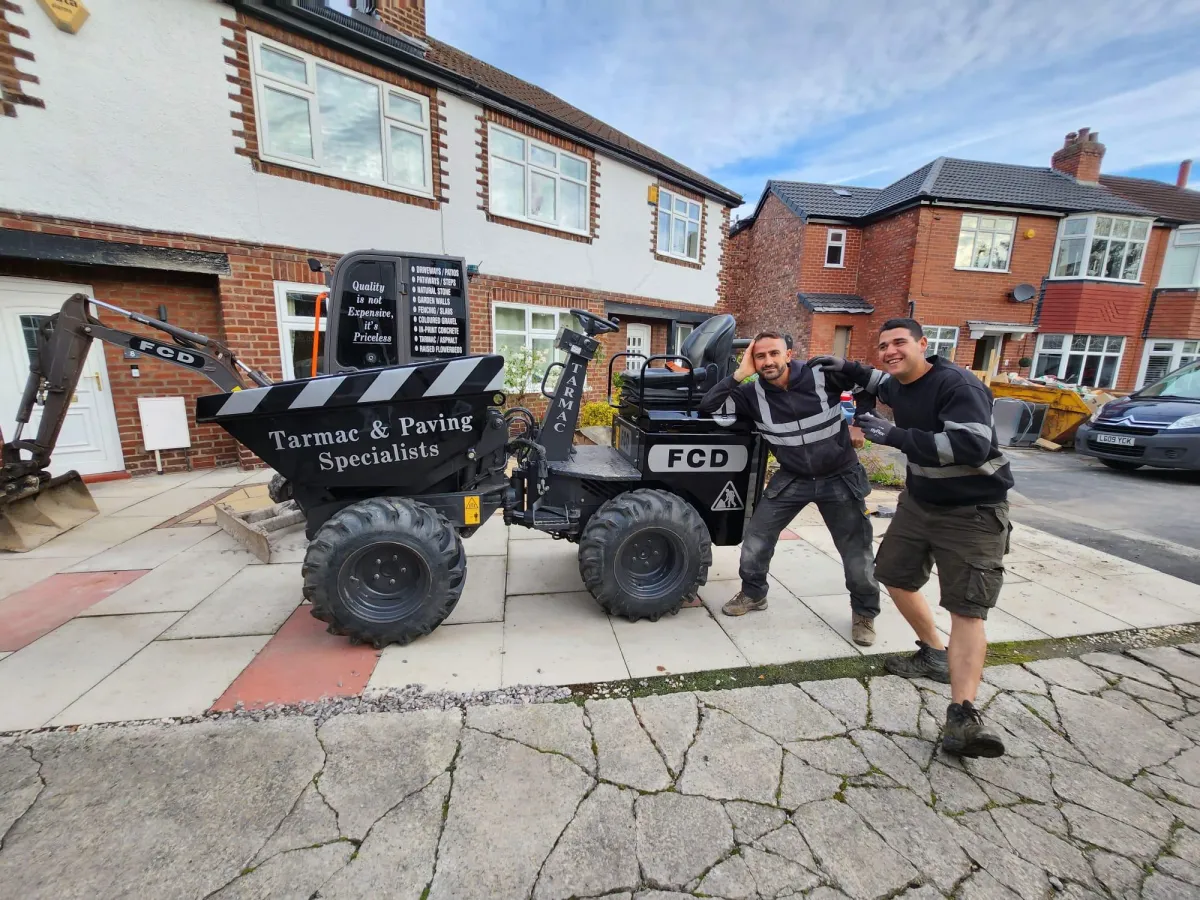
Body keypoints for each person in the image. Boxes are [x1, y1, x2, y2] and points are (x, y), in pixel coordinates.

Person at [812, 317, 1013, 758]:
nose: (889, 351)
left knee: (966, 609)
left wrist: (896, 436)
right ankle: (933, 653)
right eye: (883, 345)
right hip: (921, 503)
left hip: (973, 510)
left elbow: (972, 447)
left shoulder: (959, 387)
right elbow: (877, 380)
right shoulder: (900, 382)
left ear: (924, 344)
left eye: (899, 343)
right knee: (895, 576)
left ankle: (964, 715)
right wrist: (844, 364)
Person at [699, 330, 881, 646]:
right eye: (760, 356)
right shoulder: (751, 394)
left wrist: (859, 421)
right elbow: (709, 406)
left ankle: (864, 613)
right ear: (752, 361)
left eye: (773, 353)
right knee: (757, 536)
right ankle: (754, 594)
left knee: (856, 548)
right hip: (793, 476)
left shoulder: (821, 376)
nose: (767, 361)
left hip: (840, 475)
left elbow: (868, 382)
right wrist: (739, 375)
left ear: (788, 354)